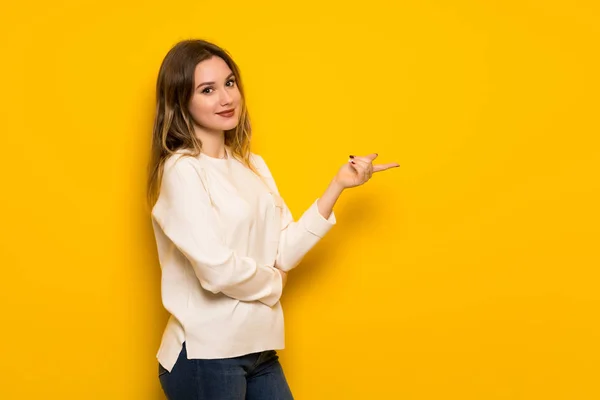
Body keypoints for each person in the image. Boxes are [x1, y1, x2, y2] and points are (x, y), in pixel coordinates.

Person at [146, 39, 399, 400]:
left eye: (229, 83)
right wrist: (274, 284)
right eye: (207, 89)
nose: (226, 98)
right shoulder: (181, 170)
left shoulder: (253, 166)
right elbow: (216, 270)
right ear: (181, 101)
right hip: (207, 354)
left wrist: (338, 185)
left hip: (260, 348)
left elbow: (284, 251)